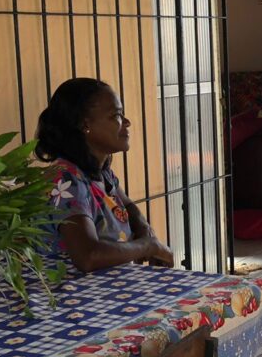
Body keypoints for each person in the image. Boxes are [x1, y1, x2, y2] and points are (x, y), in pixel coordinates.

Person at [36, 78, 174, 272]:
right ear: (85, 125)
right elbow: (88, 256)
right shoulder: (65, 180)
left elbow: (127, 206)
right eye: (116, 115)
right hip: (68, 295)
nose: (126, 122)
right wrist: (148, 246)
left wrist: (144, 230)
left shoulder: (100, 171)